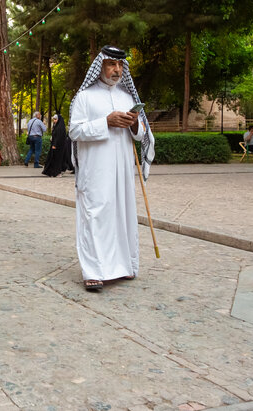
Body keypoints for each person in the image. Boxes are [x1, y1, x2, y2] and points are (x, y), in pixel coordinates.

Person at [69, 45, 155, 292]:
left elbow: (141, 137)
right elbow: (74, 131)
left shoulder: (128, 98)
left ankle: (125, 266)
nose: (116, 70)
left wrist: (135, 124)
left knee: (123, 214)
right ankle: (93, 271)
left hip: (123, 171)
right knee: (95, 215)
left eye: (120, 65)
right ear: (100, 66)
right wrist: (105, 121)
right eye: (111, 64)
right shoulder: (84, 97)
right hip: (95, 170)